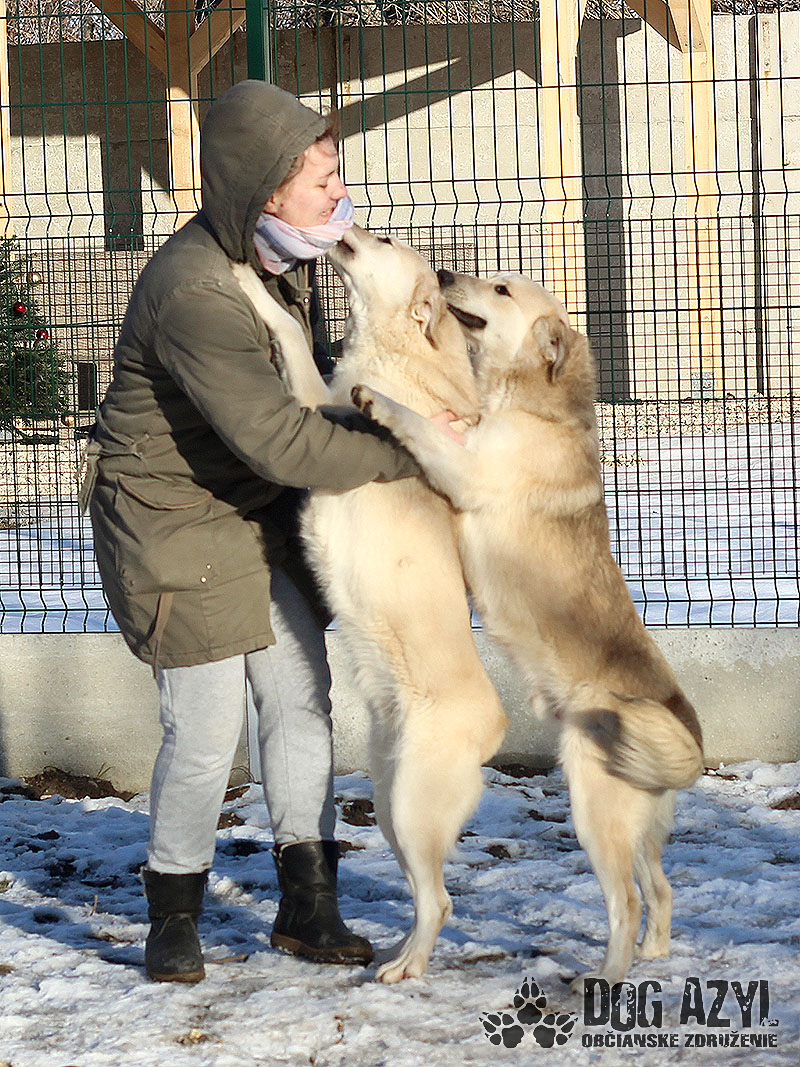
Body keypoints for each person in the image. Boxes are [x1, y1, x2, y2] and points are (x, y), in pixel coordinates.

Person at [84, 80, 419, 983]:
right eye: (323, 179)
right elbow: (278, 437)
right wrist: (407, 455)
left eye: (337, 173)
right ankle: (174, 910)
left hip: (254, 507)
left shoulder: (274, 260)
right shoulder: (195, 290)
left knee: (299, 695)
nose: (340, 194)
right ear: (266, 190)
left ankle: (308, 902)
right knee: (205, 726)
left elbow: (300, 407)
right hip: (170, 518)